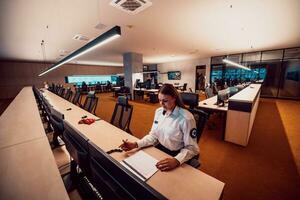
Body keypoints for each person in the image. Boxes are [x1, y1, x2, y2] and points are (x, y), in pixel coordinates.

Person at [119, 84, 199, 171]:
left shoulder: (186, 118)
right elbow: (153, 136)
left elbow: (192, 148)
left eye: (165, 101)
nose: (161, 104)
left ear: (174, 98)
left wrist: (177, 160)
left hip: (177, 154)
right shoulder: (159, 112)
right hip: (160, 149)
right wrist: (136, 144)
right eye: (160, 100)